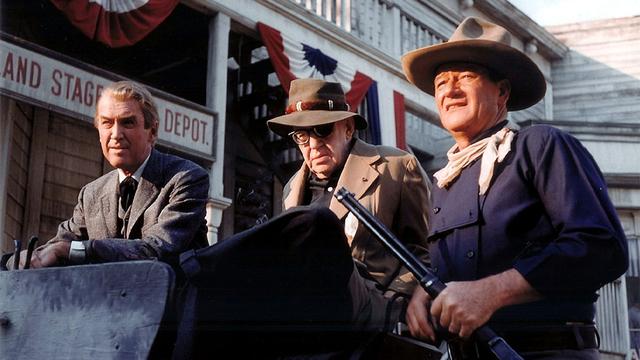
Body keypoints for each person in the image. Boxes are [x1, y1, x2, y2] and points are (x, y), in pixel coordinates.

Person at [401, 17, 628, 359]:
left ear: (502, 92)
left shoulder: (540, 145)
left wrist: (492, 292)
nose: (450, 90)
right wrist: (427, 290)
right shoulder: (443, 180)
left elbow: (602, 247)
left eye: (466, 77)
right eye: (441, 83)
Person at [266, 78, 431, 330]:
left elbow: (428, 250)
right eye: (301, 135)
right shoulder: (291, 189)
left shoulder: (396, 167)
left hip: (372, 323)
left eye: (322, 130)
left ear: (348, 128)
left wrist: (391, 301)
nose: (313, 144)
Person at [7, 80, 209, 269]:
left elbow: (156, 249)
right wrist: (27, 258)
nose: (115, 134)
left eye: (127, 123)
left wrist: (70, 250)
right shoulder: (91, 194)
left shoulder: (186, 178)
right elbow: (60, 245)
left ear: (152, 131)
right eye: (106, 123)